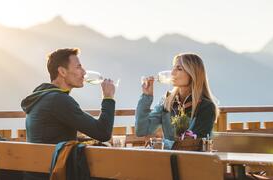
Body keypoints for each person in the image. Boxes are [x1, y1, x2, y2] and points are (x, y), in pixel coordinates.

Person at [21, 48, 115, 180]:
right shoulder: (58, 100)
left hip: (39, 172)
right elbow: (103, 133)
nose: (84, 72)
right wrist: (108, 98)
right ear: (62, 71)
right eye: (78, 67)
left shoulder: (43, 97)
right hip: (56, 174)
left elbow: (54, 137)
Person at [135, 53, 219, 145]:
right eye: (173, 68)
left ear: (192, 74)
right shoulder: (167, 101)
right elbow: (142, 130)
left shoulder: (206, 106)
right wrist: (146, 96)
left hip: (193, 159)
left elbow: (194, 143)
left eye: (179, 69)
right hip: (168, 158)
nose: (172, 73)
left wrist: (160, 144)